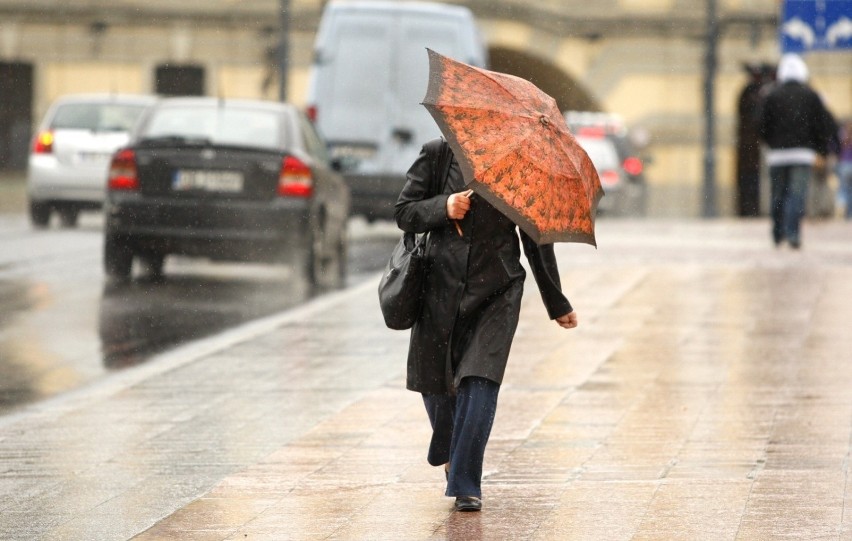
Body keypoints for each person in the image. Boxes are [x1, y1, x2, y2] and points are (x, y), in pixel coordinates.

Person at [394, 138, 578, 512]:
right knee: (435, 382)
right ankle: (450, 448)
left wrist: (556, 301)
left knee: (480, 379)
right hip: (438, 287)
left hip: (497, 291)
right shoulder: (438, 155)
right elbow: (404, 212)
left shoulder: (525, 170)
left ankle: (465, 482)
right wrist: (443, 207)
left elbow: (536, 239)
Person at [758, 53, 836, 249]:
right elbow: (824, 125)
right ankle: (792, 233)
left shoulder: (771, 95)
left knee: (778, 194)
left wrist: (770, 142)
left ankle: (777, 233)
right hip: (802, 154)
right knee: (796, 195)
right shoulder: (811, 96)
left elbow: (760, 125)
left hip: (777, 155)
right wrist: (821, 150)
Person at [838, 119, 852, 219]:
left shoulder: (842, 135)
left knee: (843, 189)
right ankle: (850, 213)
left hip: (844, 164)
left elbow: (835, 147)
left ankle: (841, 206)